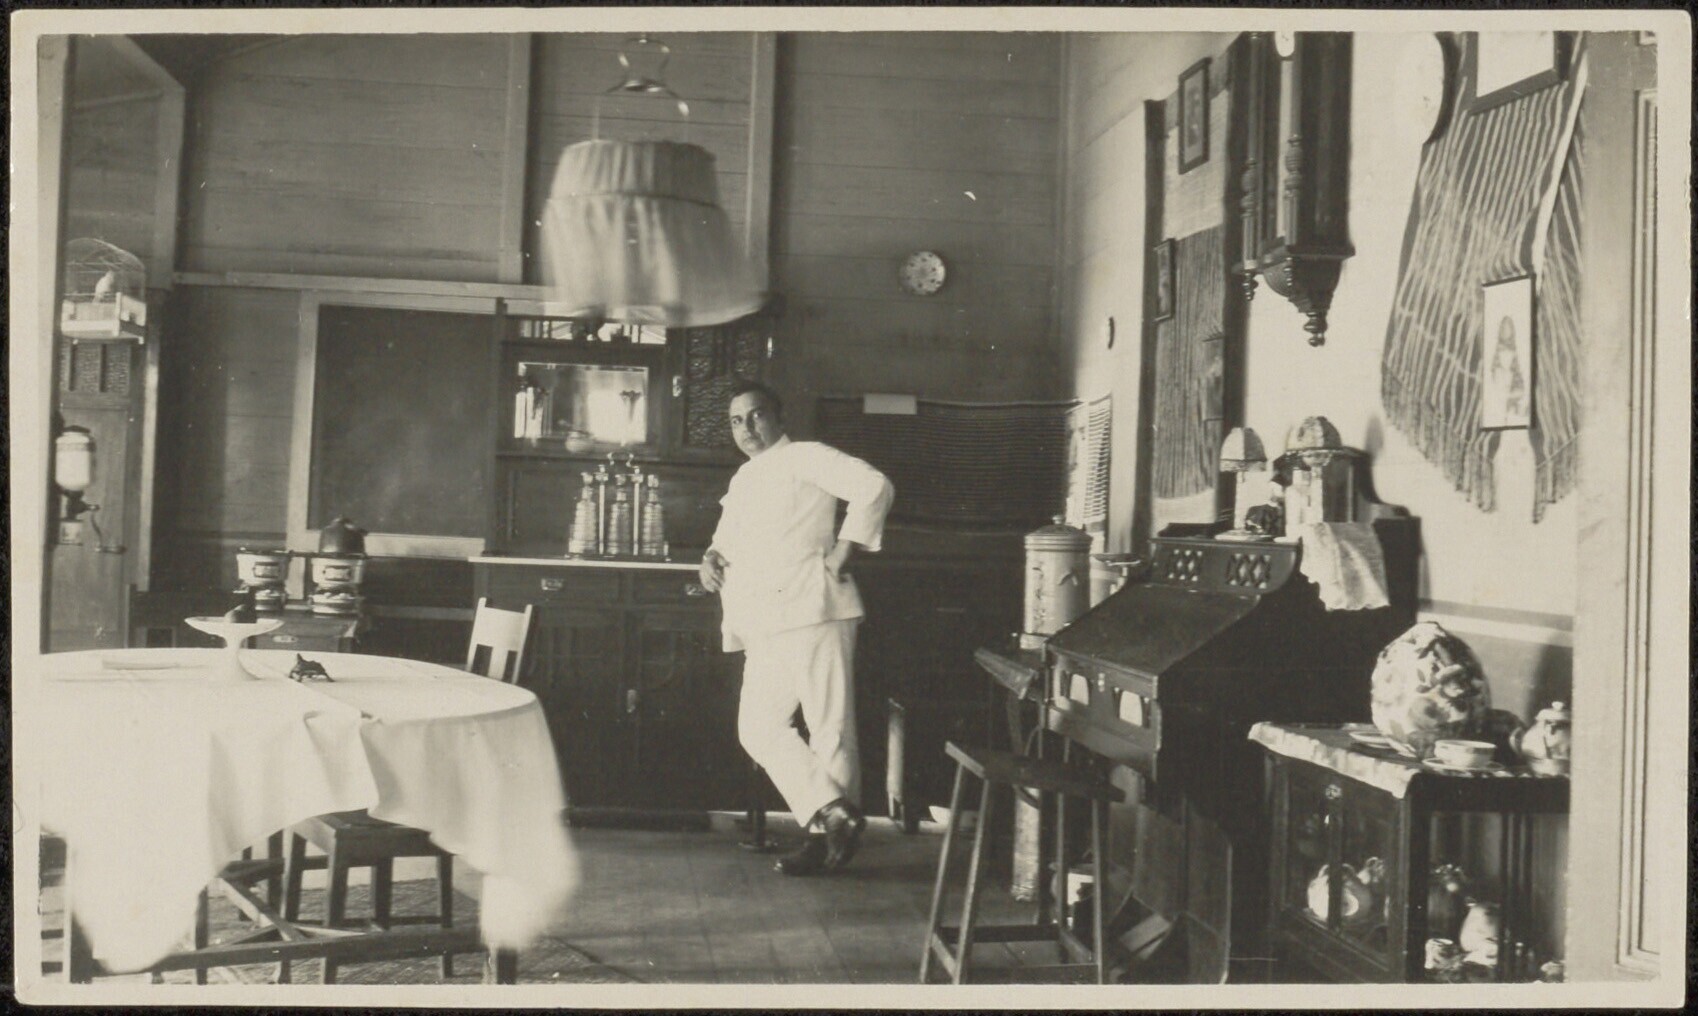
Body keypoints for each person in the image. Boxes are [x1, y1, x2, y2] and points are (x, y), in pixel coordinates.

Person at [699, 381, 895, 876]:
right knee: (757, 728)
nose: (747, 428)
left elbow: (874, 486)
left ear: (779, 417)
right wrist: (710, 558)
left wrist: (847, 547)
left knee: (830, 728)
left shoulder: (806, 456)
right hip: (765, 622)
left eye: (757, 415)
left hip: (814, 608)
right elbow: (726, 540)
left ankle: (825, 841)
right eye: (737, 420)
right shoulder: (745, 478)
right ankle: (832, 812)